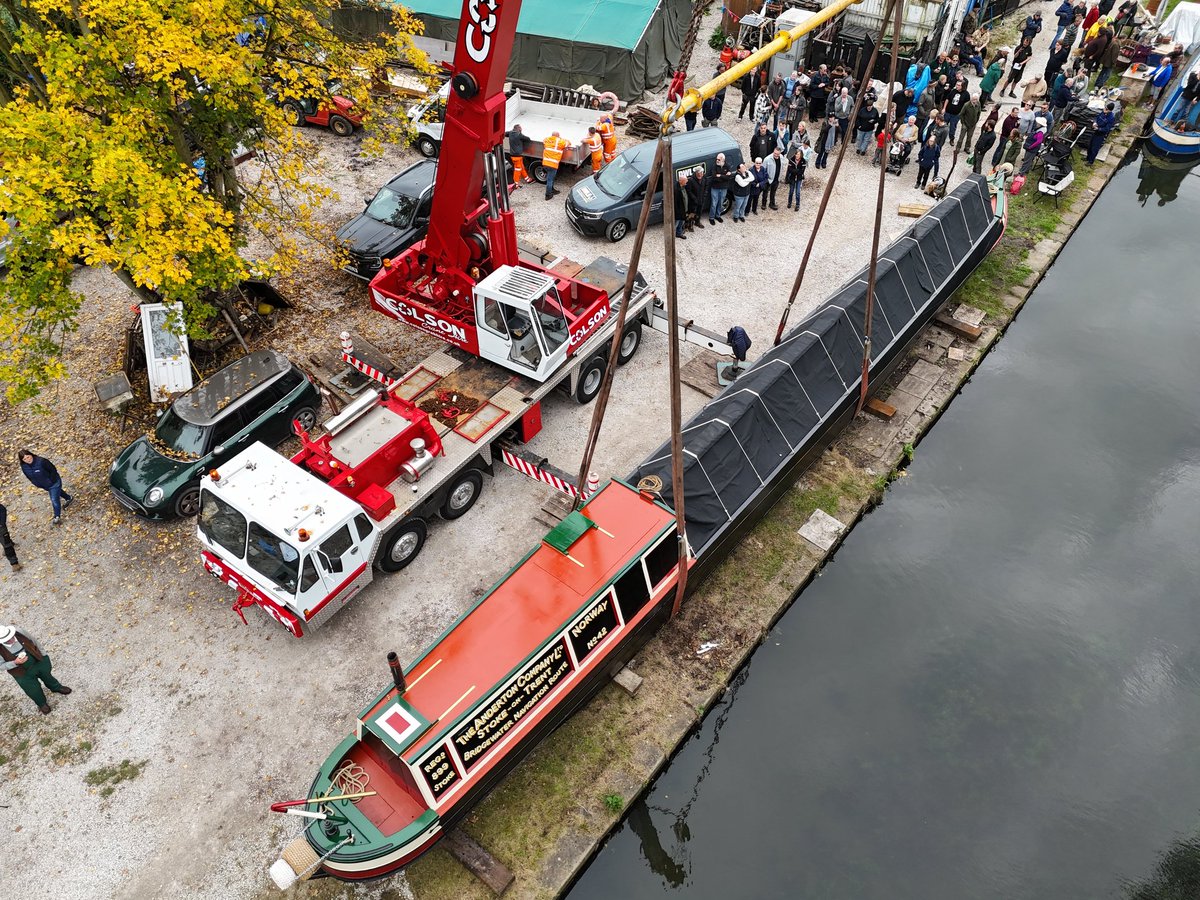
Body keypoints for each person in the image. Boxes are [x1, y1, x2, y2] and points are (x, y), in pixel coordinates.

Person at [1, 624, 69, 714]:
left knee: (48, 676)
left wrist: (44, 655)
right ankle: (41, 703)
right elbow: (1, 666)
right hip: (22, 673)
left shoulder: (20, 632)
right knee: (33, 689)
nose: (11, 640)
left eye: (11, 636)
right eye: (7, 640)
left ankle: (56, 687)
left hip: (38, 662)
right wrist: (15, 663)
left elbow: (35, 642)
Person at [19, 450, 72, 525]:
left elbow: (53, 469)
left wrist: (52, 481)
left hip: (54, 483)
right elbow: (28, 476)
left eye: (28, 457)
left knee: (54, 499)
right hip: (44, 485)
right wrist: (36, 483)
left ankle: (57, 517)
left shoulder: (42, 461)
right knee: (57, 492)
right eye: (24, 459)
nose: (28, 460)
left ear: (31, 455)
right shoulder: (24, 467)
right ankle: (69, 498)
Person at [540, 131, 570, 201]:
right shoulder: (560, 142)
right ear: (558, 136)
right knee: (550, 180)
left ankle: (552, 190)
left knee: (550, 178)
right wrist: (562, 139)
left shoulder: (547, 139)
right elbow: (568, 143)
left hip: (545, 163)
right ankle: (548, 195)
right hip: (553, 164)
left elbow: (543, 140)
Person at [943, 77, 969, 143]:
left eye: (958, 85)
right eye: (956, 84)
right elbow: (947, 99)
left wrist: (962, 114)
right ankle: (941, 137)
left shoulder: (966, 94)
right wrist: (944, 108)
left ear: (963, 86)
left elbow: (966, 106)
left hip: (956, 115)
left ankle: (951, 139)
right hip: (948, 112)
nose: (956, 86)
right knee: (943, 125)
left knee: (952, 128)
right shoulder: (953, 91)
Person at [709, 153, 731, 224]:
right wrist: (724, 176)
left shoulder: (727, 166)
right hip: (715, 188)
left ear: (723, 160)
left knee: (720, 203)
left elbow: (728, 178)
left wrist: (720, 176)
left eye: (718, 159)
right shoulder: (714, 166)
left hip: (724, 188)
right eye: (717, 159)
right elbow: (714, 178)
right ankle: (711, 217)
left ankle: (718, 216)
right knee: (714, 203)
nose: (717, 160)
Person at [0, 502, 19, 572]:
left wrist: (2, 523)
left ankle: (14, 564)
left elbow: (2, 509)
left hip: (1, 528)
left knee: (7, 544)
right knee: (5, 542)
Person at [673, 172, 689, 239]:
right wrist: (678, 212)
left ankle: (678, 233)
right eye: (685, 181)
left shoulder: (682, 187)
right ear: (681, 181)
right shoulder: (676, 190)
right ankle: (672, 236)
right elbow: (676, 203)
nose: (687, 182)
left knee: (681, 223)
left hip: (683, 210)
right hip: (679, 211)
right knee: (676, 224)